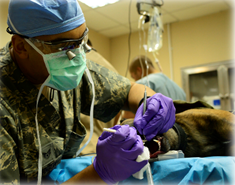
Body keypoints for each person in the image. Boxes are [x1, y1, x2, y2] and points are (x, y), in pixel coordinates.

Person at [0, 0, 175, 184]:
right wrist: (99, 174)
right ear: (21, 47)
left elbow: (130, 90)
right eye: (65, 47)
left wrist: (151, 101)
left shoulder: (69, 67)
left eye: (81, 41)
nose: (77, 57)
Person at [80, 39, 121, 155]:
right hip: (103, 151)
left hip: (79, 150)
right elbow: (119, 113)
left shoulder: (72, 64)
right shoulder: (111, 69)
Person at [122, 55, 186, 119]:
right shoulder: (179, 89)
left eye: (133, 77)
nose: (135, 80)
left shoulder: (142, 84)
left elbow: (129, 116)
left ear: (139, 70)